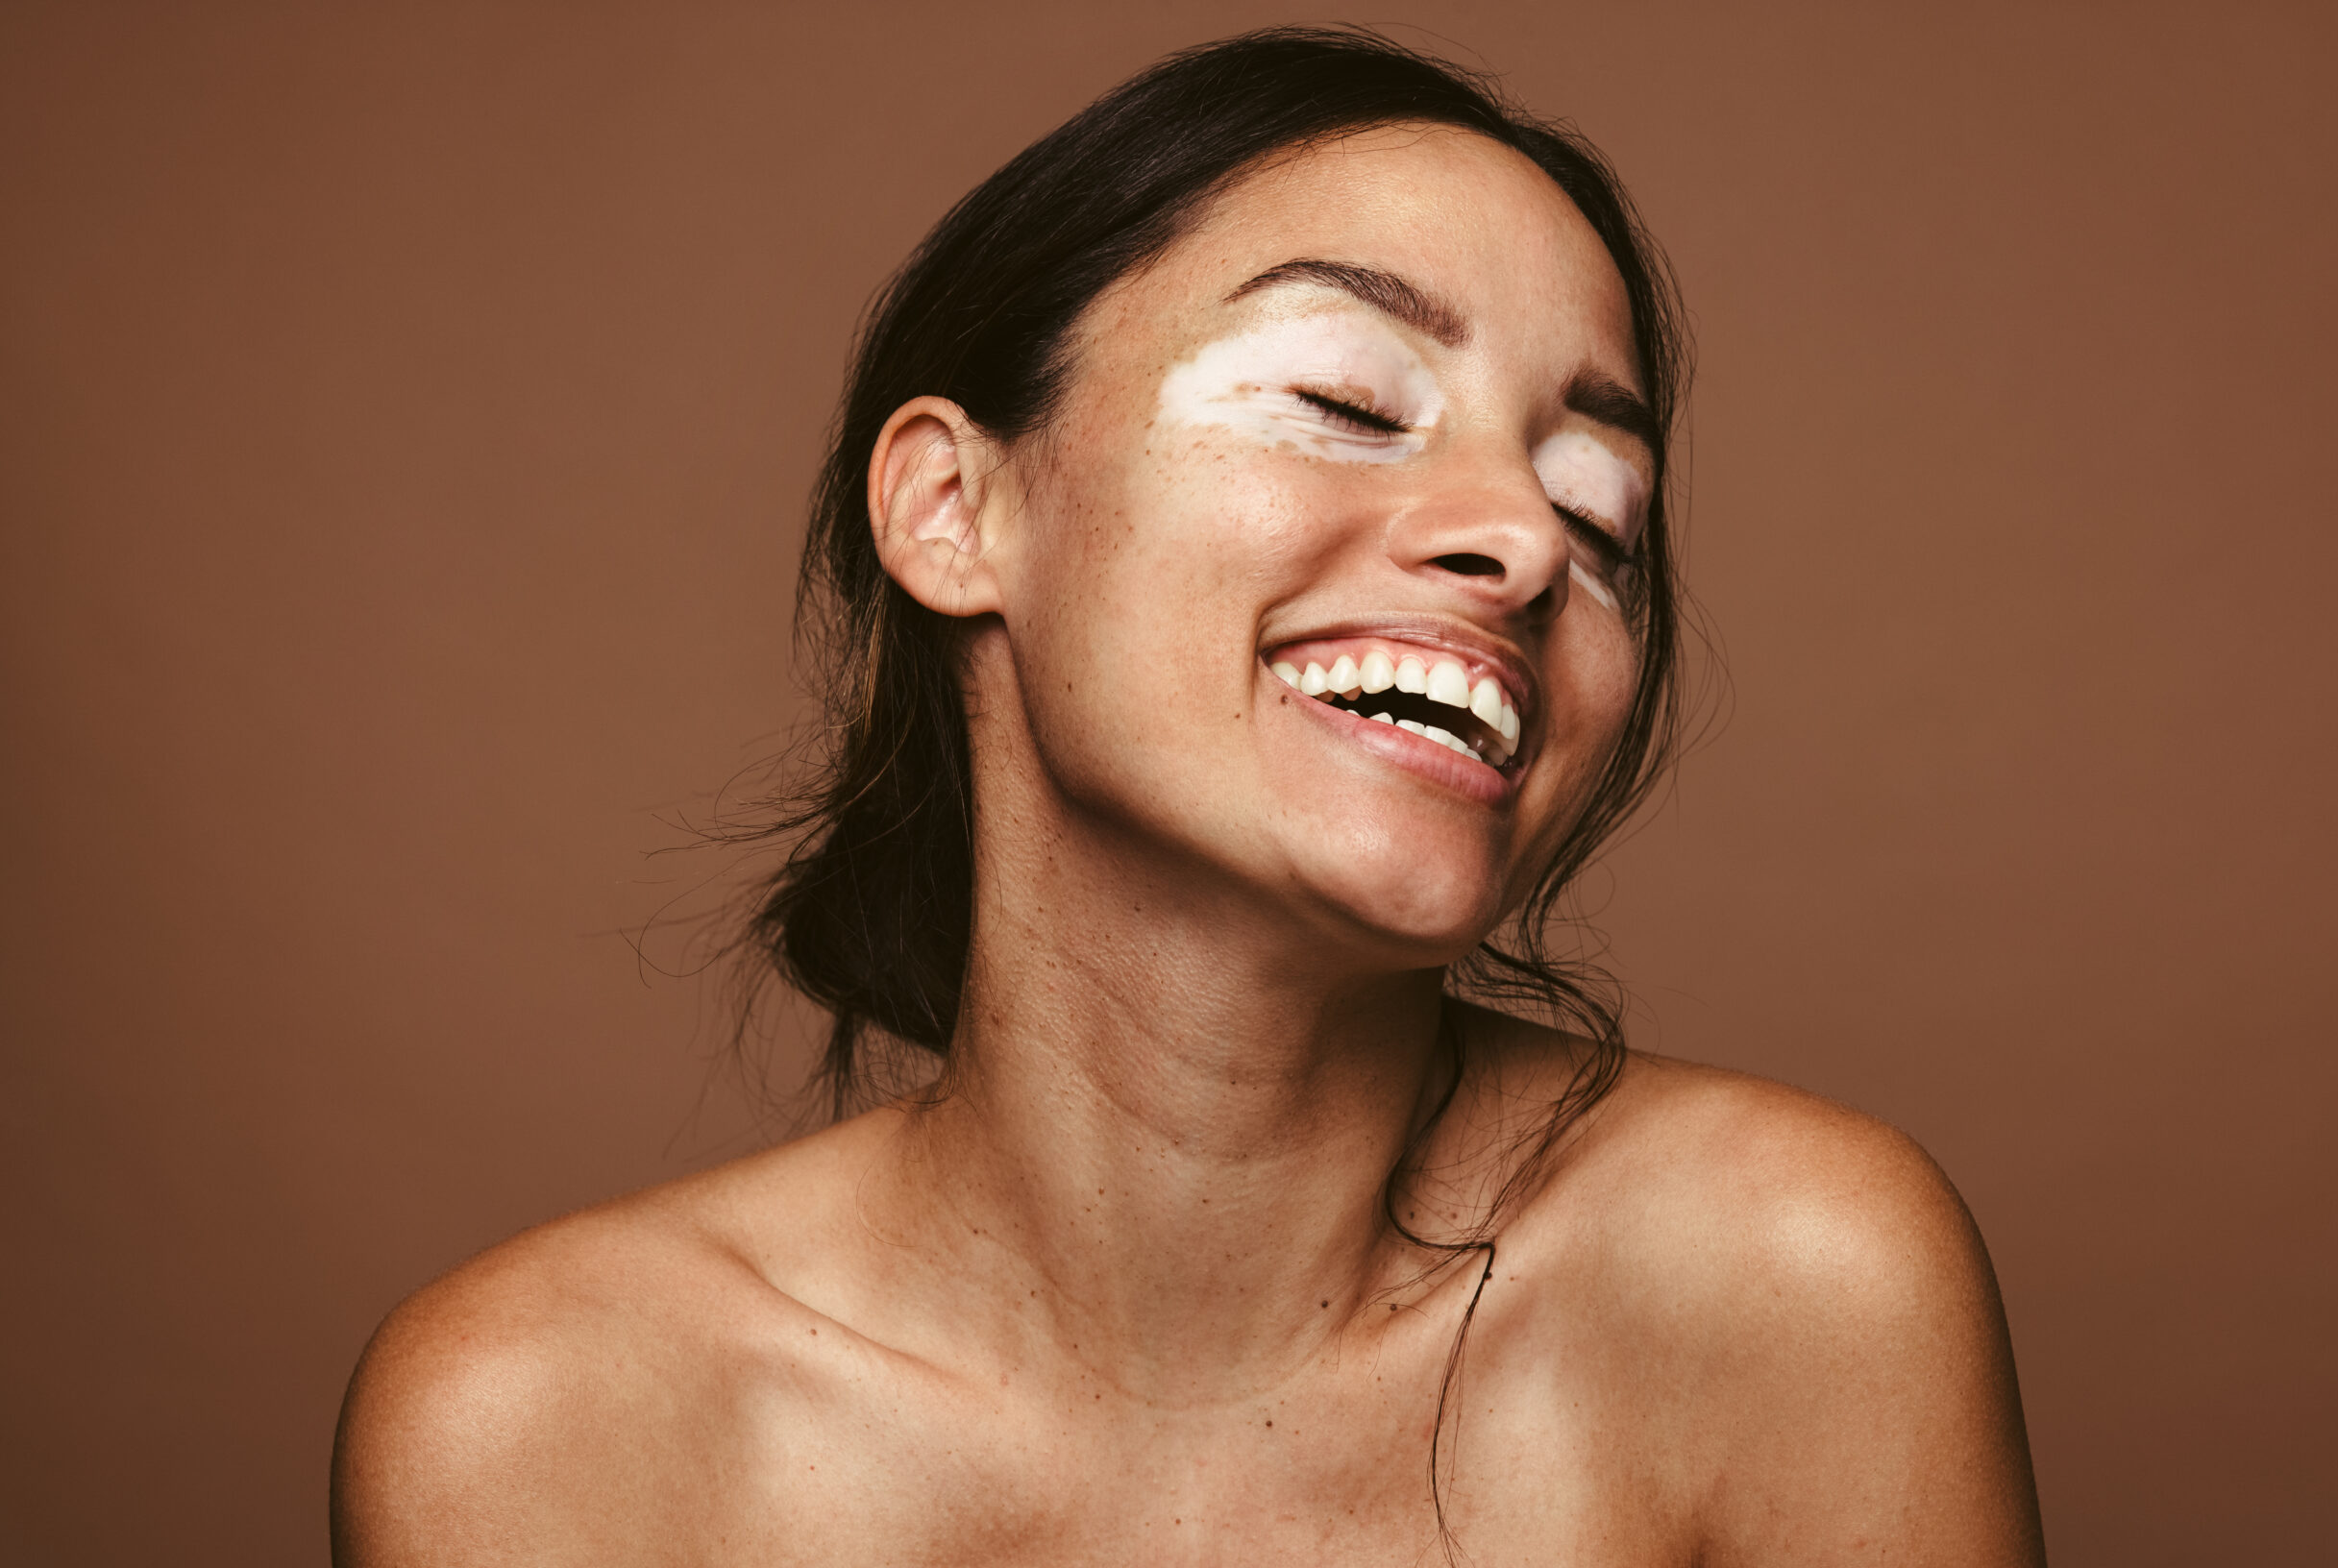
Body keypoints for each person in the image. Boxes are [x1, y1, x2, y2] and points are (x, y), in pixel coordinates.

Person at [332, 28, 2045, 1565]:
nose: (1522, 542)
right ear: (953, 510)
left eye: (1600, 513)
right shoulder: (548, 1434)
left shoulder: (1793, 1292)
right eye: (1343, 399)